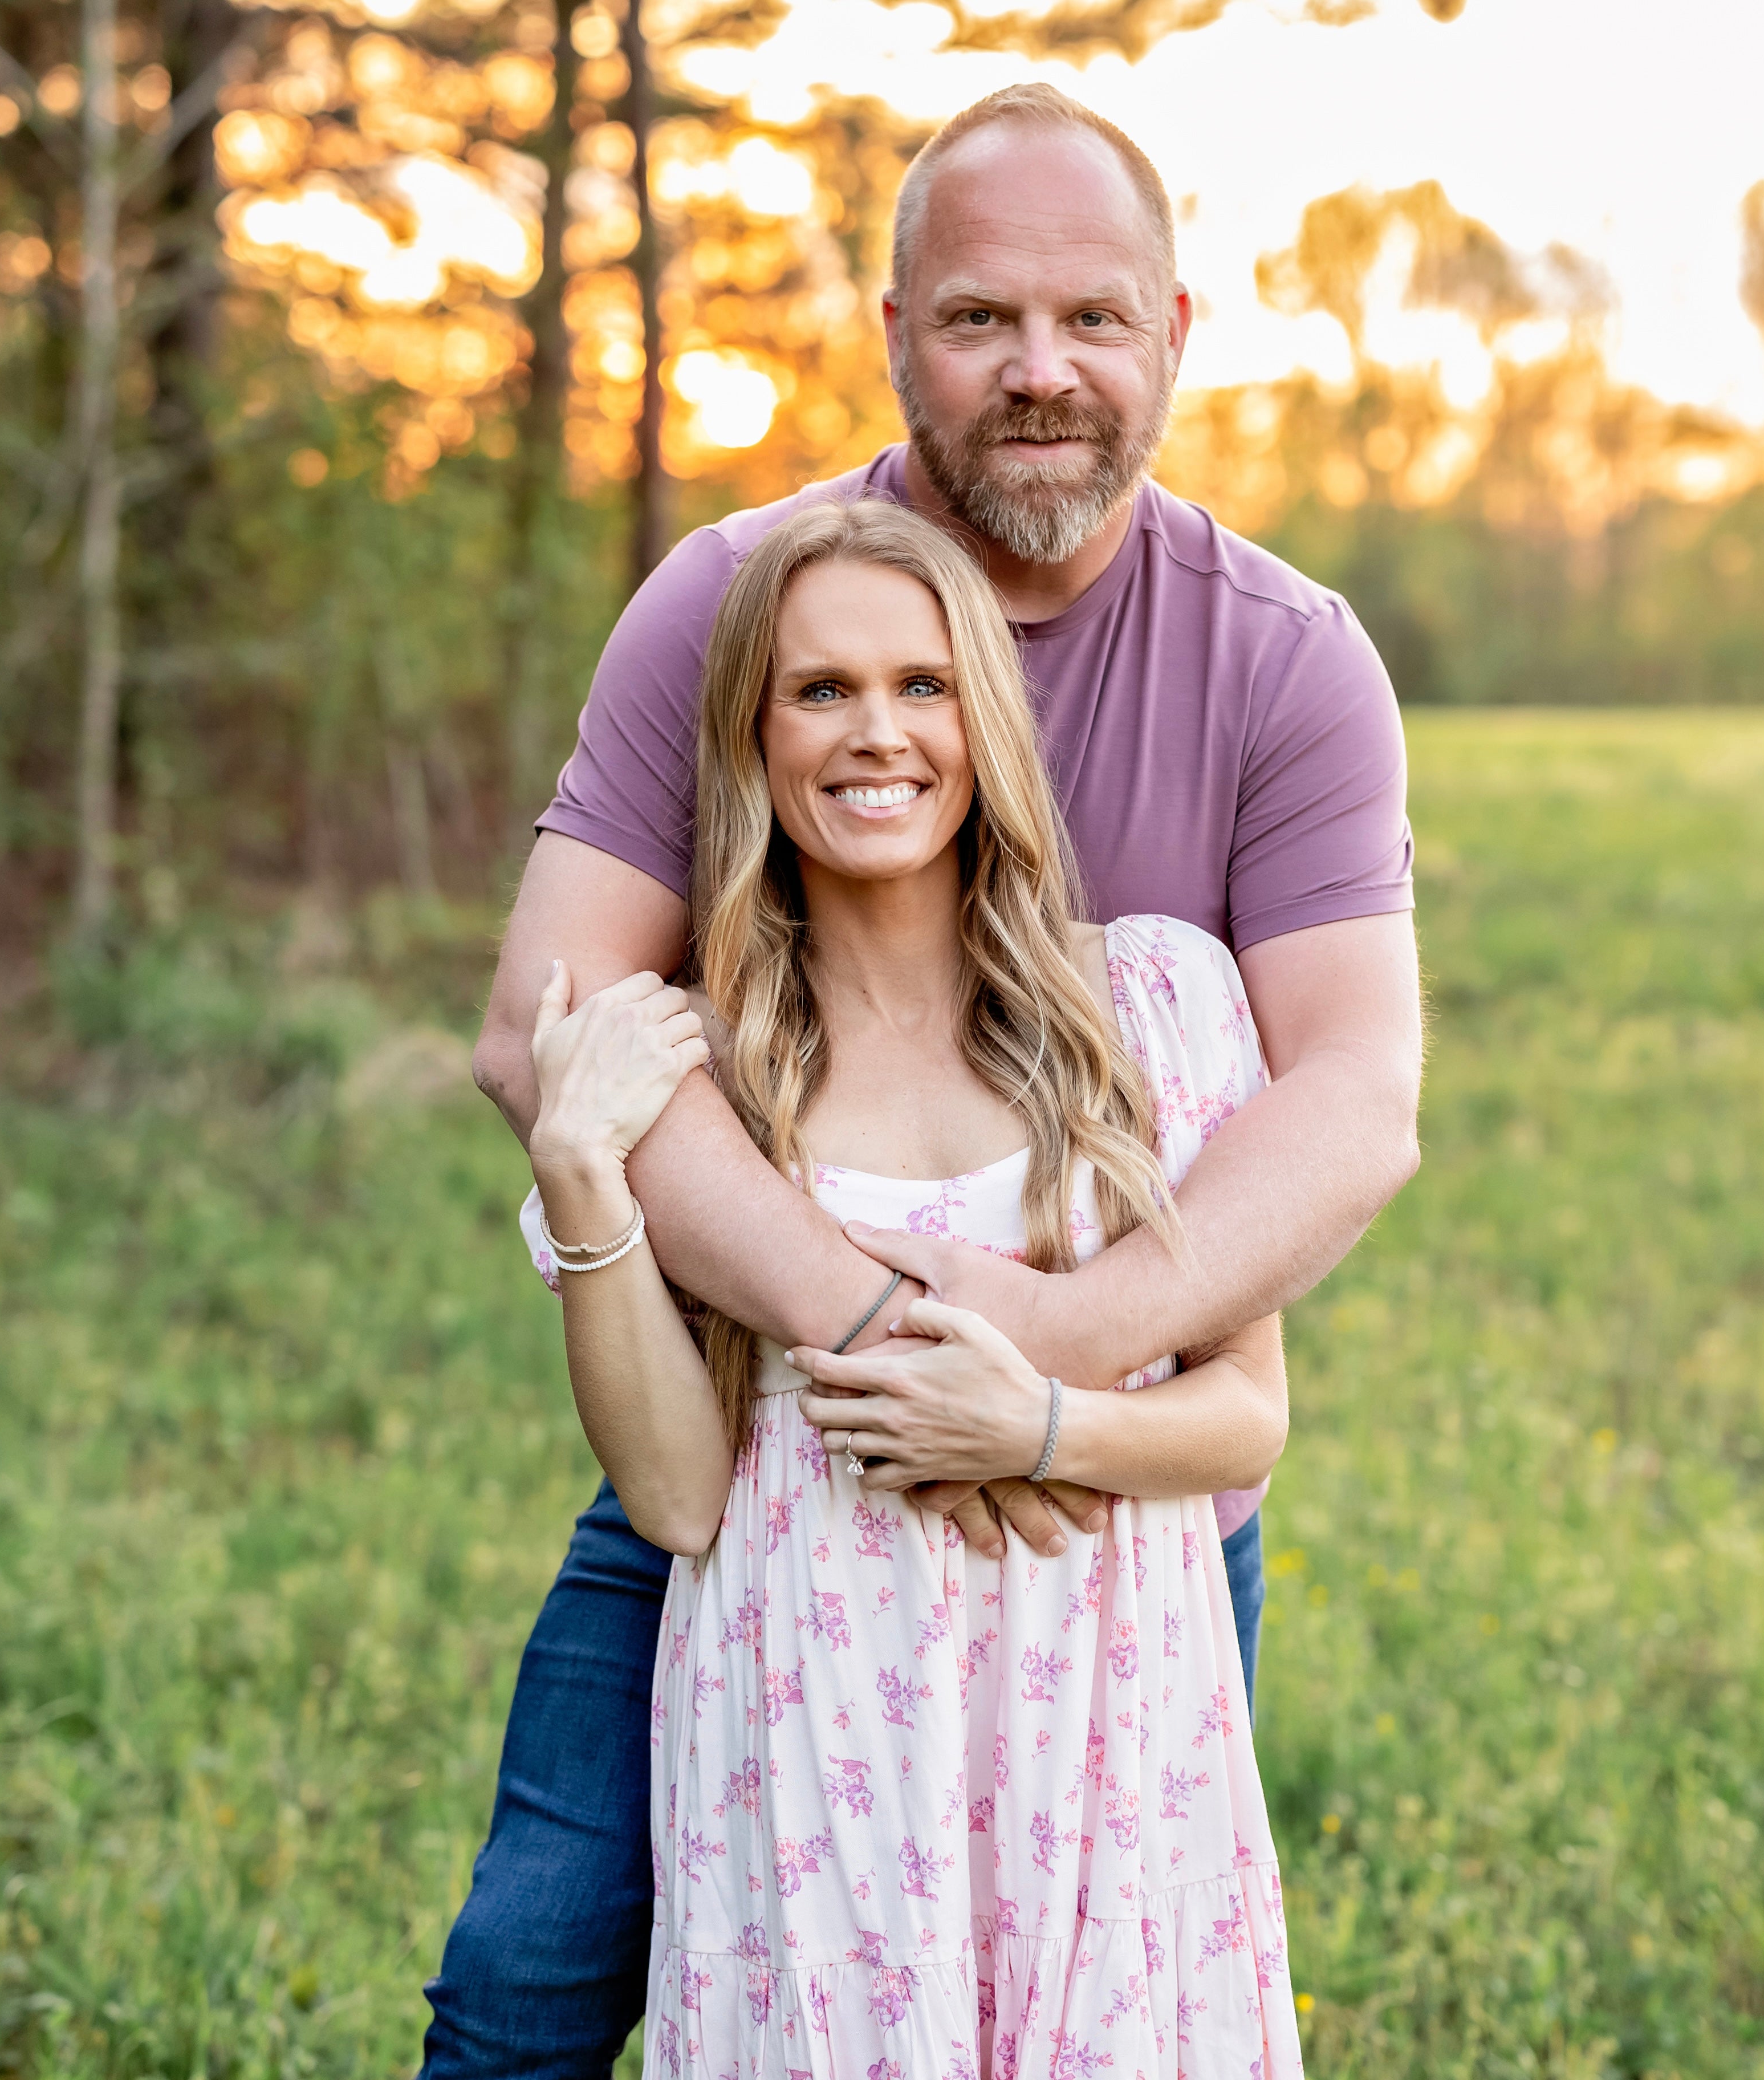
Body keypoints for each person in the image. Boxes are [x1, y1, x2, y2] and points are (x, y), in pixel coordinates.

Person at [424, 79, 1421, 2080]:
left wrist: (1050, 1368)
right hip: (769, 1455)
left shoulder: (1285, 662)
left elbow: (1348, 1104)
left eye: (1091, 319)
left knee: (1098, 2001)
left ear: (1174, 335)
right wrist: (868, 1333)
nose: (1038, 372)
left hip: (1113, 1514)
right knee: (534, 1977)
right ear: (894, 336)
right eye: (979, 319)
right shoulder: (737, 603)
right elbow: (549, 1019)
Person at [526, 497, 1302, 2077]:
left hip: (1096, 1716)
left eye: (921, 686)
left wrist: (1035, 1428)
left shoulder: (1149, 1006)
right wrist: (585, 1186)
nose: (876, 734)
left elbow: (1247, 1418)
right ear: (753, 737)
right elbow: (679, 1498)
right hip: (809, 1736)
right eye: (820, 692)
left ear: (985, 722)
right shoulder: (698, 1069)